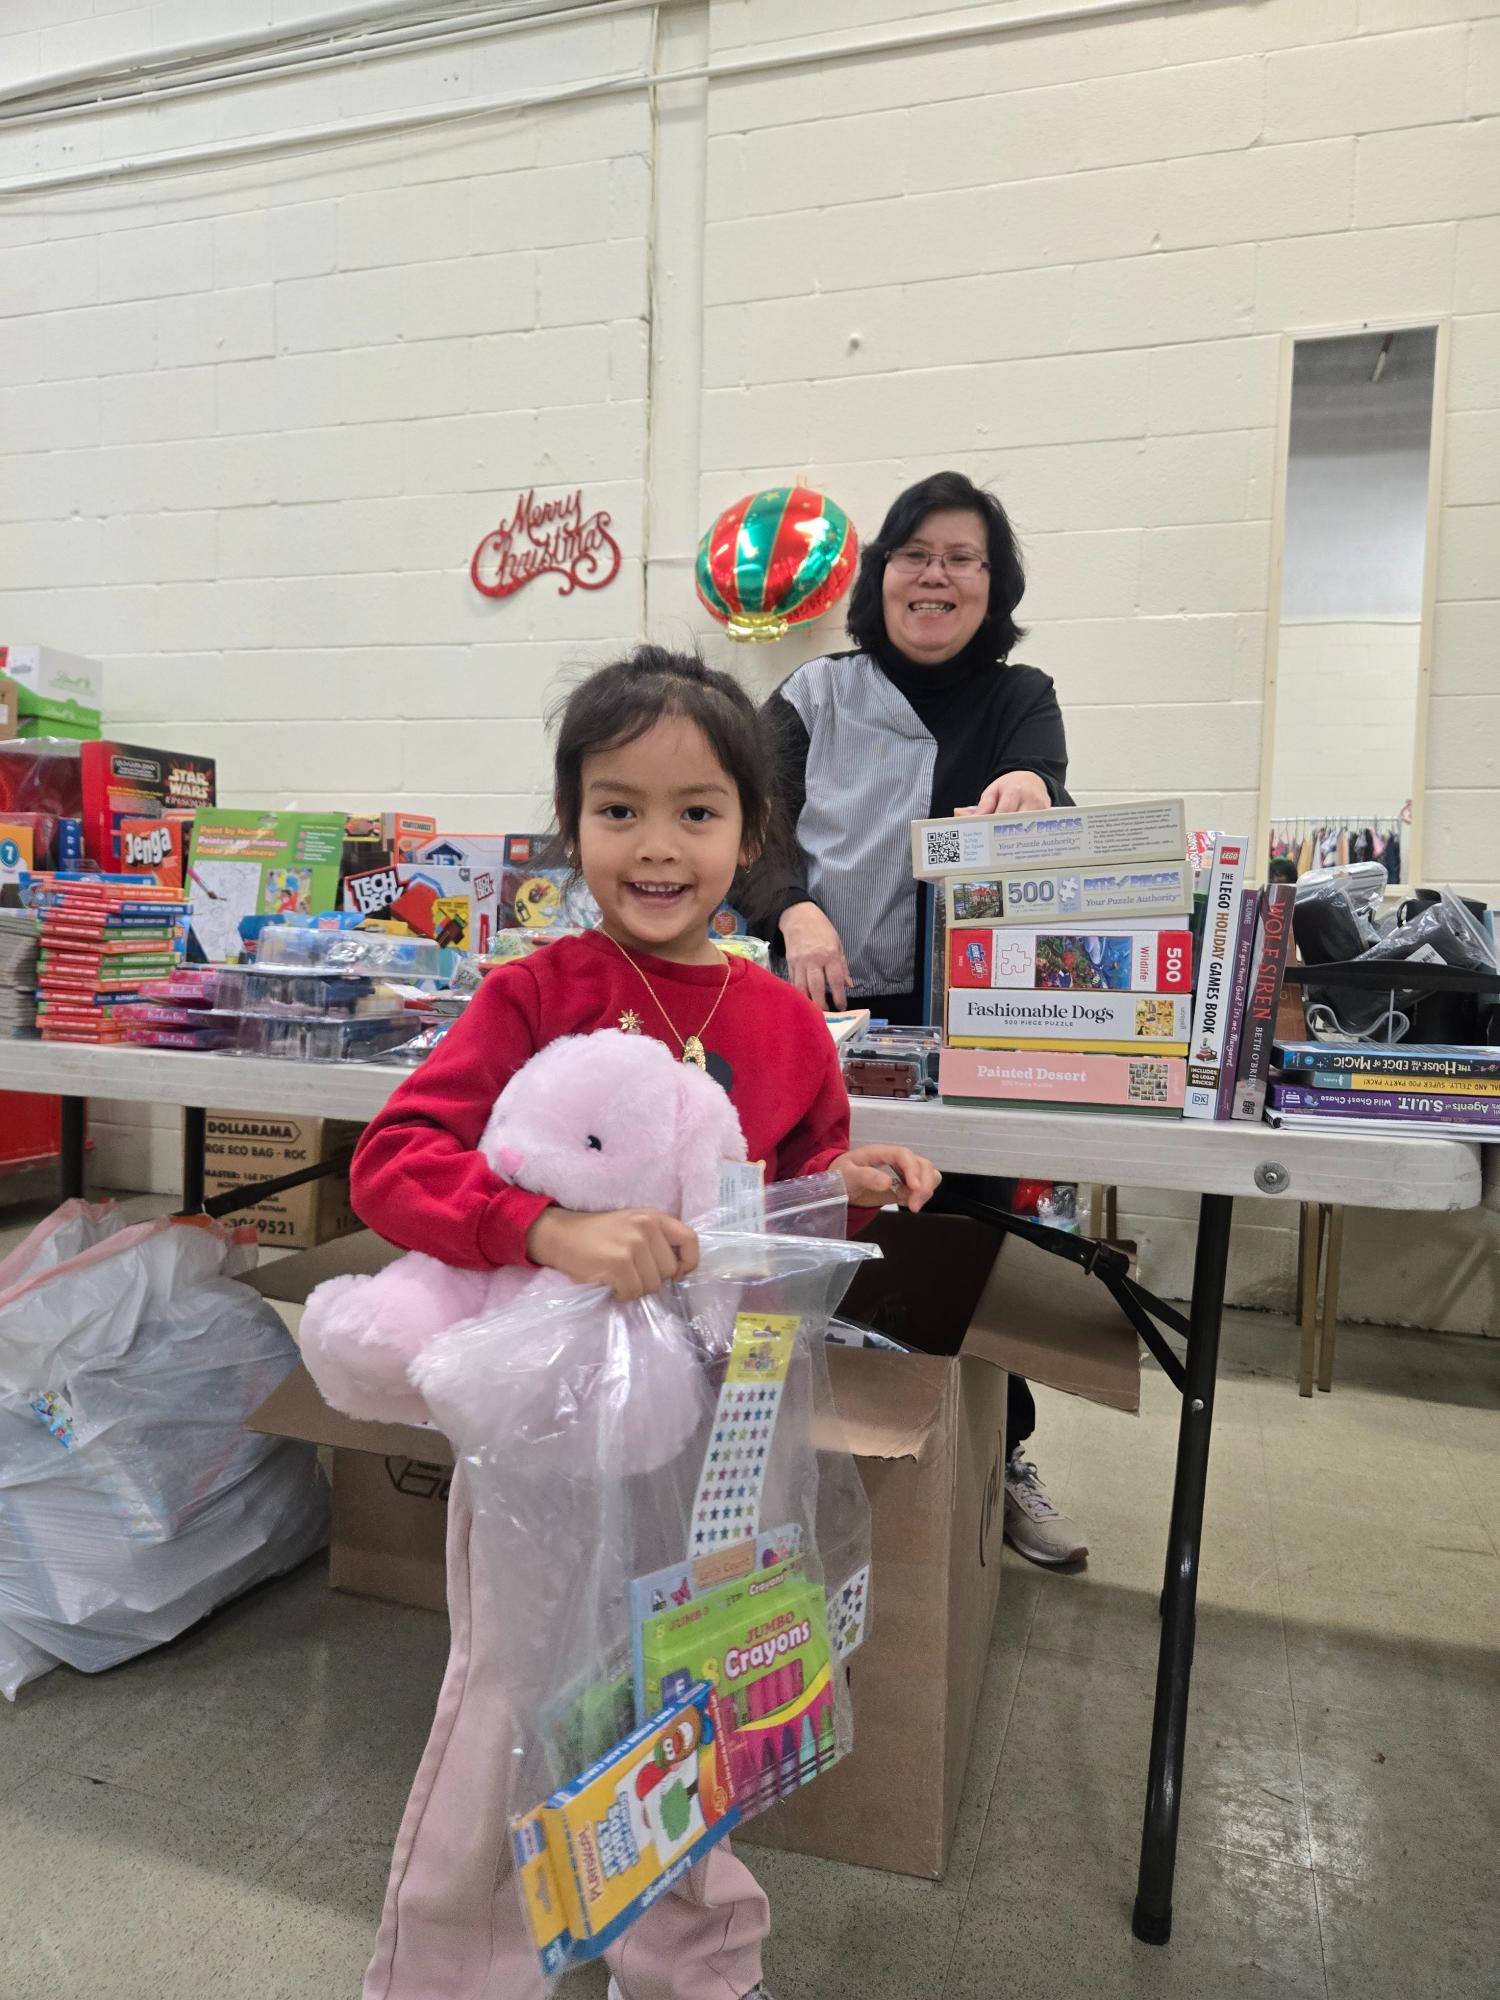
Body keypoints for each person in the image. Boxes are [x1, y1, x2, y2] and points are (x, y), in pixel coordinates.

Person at [348, 645, 941, 2000]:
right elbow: (394, 1163)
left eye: (696, 811)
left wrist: (844, 1184)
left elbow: (776, 1207)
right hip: (551, 1431)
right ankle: (454, 1976)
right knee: (512, 1702)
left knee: (686, 1697)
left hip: (720, 1434)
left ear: (753, 832)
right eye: (619, 809)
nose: (657, 846)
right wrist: (546, 1227)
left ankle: (694, 1964)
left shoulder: (785, 1025)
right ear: (573, 825)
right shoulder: (536, 994)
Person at [752, 468, 1087, 1568]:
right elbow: (747, 821)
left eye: (962, 558)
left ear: (994, 583)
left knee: (972, 1243)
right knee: (809, 1233)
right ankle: (789, 1453)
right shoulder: (814, 692)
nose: (935, 576)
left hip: (966, 1031)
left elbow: (1045, 789)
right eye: (915, 553)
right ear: (881, 572)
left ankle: (996, 1457)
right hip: (816, 1016)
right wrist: (793, 904)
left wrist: (1033, 790)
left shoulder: (1020, 694)